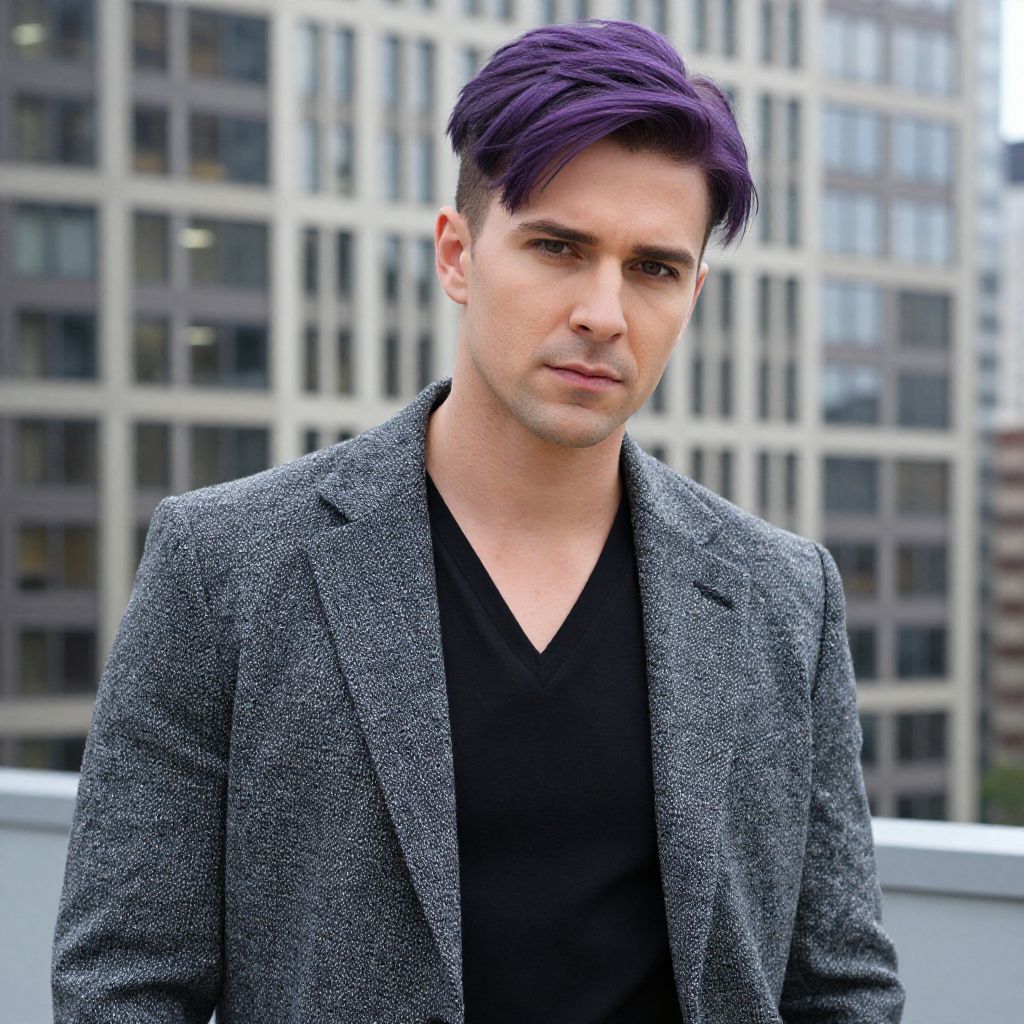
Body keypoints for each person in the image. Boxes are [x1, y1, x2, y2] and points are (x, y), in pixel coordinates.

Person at [52, 18, 904, 1024]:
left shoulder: (783, 595)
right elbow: (123, 981)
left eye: (653, 268)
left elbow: (839, 983)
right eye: (557, 247)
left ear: (693, 293)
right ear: (457, 255)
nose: (603, 312)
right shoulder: (224, 566)